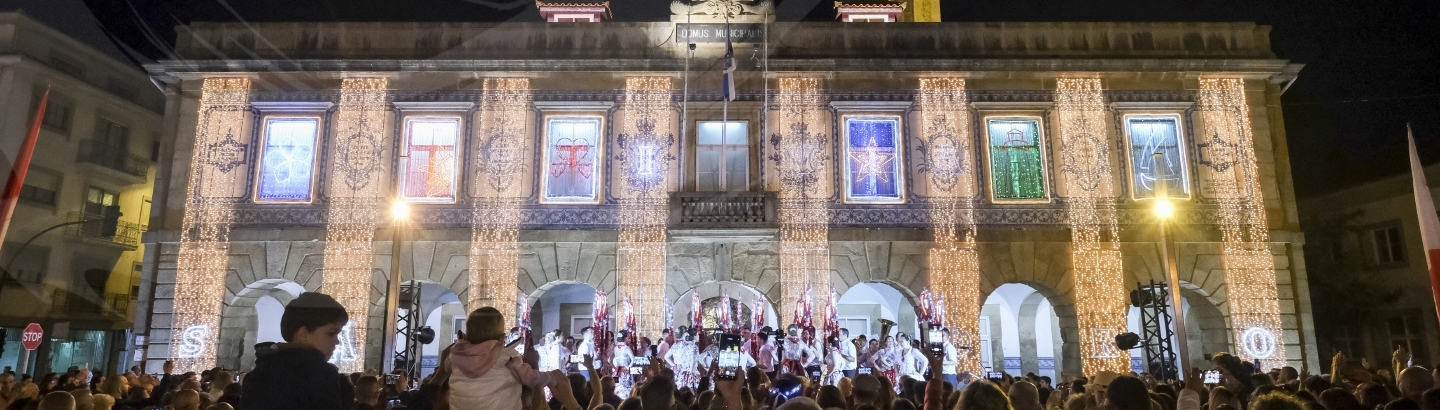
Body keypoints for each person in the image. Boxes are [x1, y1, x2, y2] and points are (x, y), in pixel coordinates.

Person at [239, 292, 352, 410]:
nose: (337, 341)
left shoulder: (257, 373)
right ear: (303, 334)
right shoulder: (320, 373)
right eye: (331, 333)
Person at [444, 307, 559, 410]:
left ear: (467, 336)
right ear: (502, 338)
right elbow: (532, 379)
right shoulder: (508, 357)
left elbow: (446, 367)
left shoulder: (455, 358)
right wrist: (551, 378)